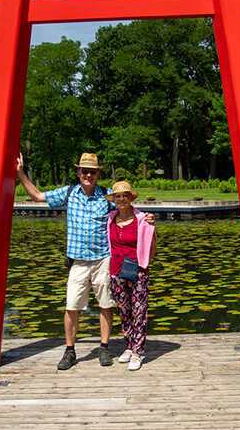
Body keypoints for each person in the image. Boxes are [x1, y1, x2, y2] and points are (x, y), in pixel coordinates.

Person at [16, 152, 154, 370]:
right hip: (78, 261)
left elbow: (126, 207)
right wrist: (21, 173)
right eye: (84, 171)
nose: (88, 174)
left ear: (98, 174)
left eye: (92, 171)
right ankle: (70, 351)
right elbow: (38, 197)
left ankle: (104, 347)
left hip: (103, 260)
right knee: (71, 306)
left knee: (106, 304)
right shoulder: (68, 193)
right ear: (78, 172)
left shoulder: (107, 196)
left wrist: (145, 218)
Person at [106, 180, 157, 371]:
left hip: (138, 271)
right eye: (117, 196)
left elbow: (153, 247)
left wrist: (143, 265)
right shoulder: (110, 217)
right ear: (114, 200)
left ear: (130, 198)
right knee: (124, 310)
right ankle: (129, 345)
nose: (121, 199)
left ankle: (137, 351)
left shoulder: (143, 219)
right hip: (116, 270)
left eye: (124, 196)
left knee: (139, 310)